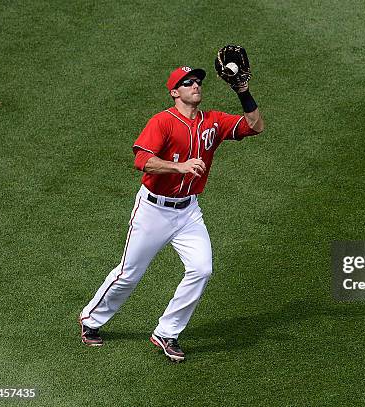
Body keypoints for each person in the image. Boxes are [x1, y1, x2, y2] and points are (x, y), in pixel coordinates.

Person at [78, 64, 264, 362]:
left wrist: (243, 92)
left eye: (198, 82)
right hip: (153, 210)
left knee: (202, 269)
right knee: (129, 274)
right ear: (174, 92)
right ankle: (91, 320)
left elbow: (255, 126)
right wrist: (179, 166)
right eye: (188, 82)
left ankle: (167, 332)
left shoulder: (212, 121)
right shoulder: (162, 122)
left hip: (189, 211)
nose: (196, 86)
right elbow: (142, 160)